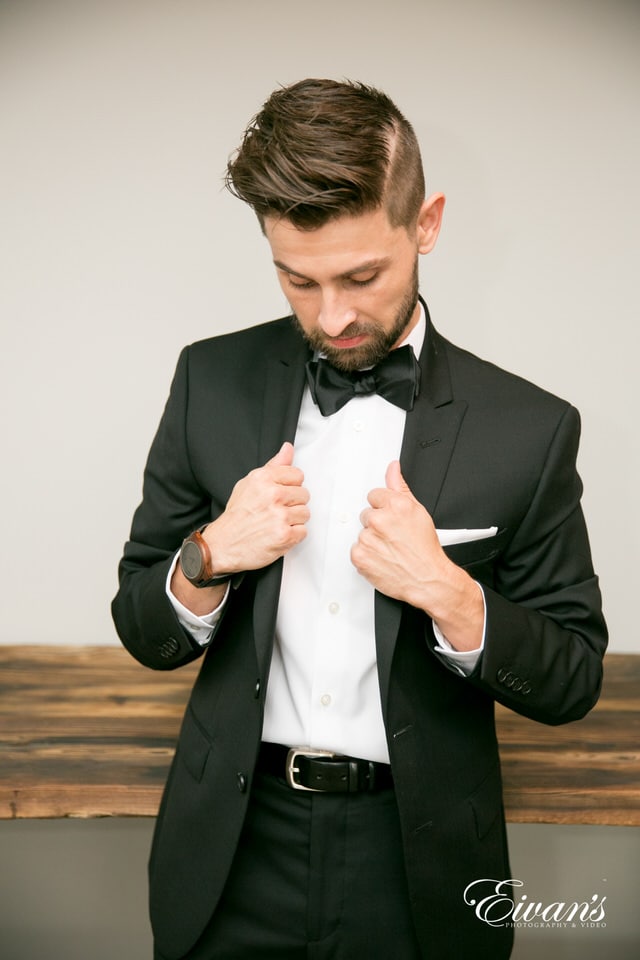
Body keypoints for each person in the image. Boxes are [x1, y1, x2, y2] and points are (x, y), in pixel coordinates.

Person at [112, 79, 607, 960]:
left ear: (428, 224)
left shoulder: (530, 428)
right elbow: (144, 628)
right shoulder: (208, 382)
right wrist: (208, 554)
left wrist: (451, 596)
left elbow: (571, 678)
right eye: (297, 280)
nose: (331, 316)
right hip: (230, 847)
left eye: (361, 276)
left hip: (421, 862)